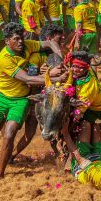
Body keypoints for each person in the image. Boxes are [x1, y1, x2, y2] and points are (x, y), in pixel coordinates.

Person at [0, 22, 67, 179]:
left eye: (22, 38)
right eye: (16, 39)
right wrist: (55, 77)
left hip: (21, 99)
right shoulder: (5, 58)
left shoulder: (28, 46)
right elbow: (28, 79)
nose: (20, 42)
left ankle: (0, 172)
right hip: (1, 96)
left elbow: (51, 43)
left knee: (10, 134)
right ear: (7, 41)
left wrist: (61, 59)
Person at [11, 24, 65, 161]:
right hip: (38, 100)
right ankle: (11, 156)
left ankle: (61, 156)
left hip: (55, 98)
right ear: (49, 39)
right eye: (58, 39)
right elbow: (31, 79)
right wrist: (48, 73)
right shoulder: (36, 57)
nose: (61, 41)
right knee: (31, 133)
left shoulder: (61, 54)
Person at [64, 50, 101, 144]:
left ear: (86, 68)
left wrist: (66, 132)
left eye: (80, 67)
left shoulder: (87, 90)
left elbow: (77, 113)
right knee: (88, 123)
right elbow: (92, 62)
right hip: (90, 104)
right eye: (74, 66)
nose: (76, 70)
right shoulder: (85, 71)